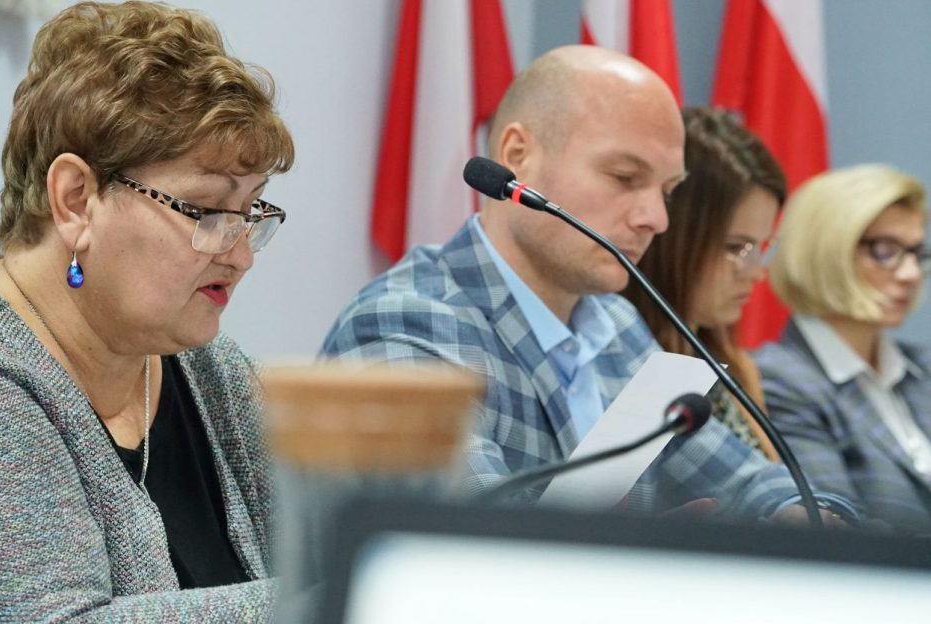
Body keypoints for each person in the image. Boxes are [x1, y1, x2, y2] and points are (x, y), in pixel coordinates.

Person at [0, 2, 293, 621]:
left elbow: (328, 552)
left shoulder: (209, 370)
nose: (241, 256)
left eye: (250, 213)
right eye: (206, 212)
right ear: (76, 200)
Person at [321, 45, 850, 523]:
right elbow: (473, 541)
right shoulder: (404, 324)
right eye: (624, 178)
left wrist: (808, 517)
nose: (656, 219)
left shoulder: (616, 322)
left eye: (668, 190)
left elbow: (743, 479)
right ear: (517, 157)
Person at [755, 164, 931, 532]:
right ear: (825, 253)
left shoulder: (922, 366)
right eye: (885, 250)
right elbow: (842, 532)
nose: (911, 274)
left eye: (916, 253)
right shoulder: (778, 380)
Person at [622, 107, 784, 461]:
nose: (756, 272)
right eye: (736, 248)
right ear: (674, 236)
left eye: (761, 248)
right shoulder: (618, 365)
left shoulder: (736, 366)